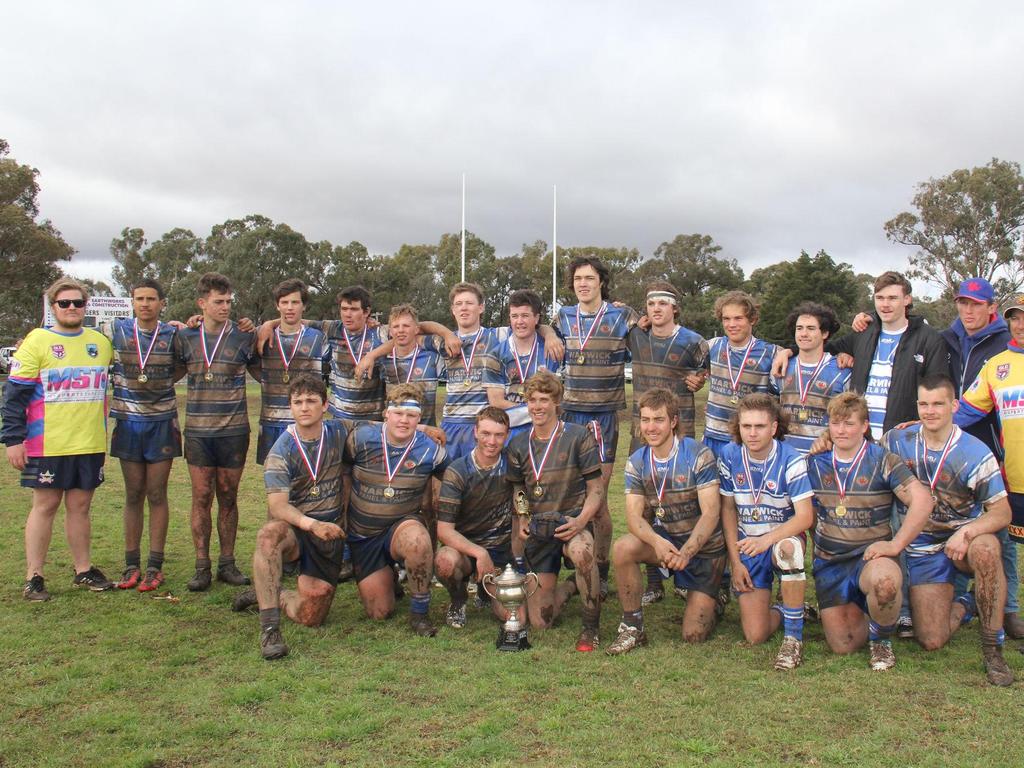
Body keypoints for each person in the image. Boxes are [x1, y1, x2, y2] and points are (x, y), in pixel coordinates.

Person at [879, 375, 1013, 685]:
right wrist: (828, 440)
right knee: (931, 640)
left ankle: (993, 649)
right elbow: (864, 454)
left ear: (953, 405)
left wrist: (966, 533)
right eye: (924, 404)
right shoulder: (897, 441)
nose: (930, 411)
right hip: (922, 546)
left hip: (961, 544)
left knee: (987, 549)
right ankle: (968, 603)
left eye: (938, 404)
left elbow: (1002, 512)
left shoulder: (974, 452)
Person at [2, 278, 115, 599]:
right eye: (64, 303)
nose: (71, 308)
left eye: (77, 303)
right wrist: (13, 439)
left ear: (85, 306)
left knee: (80, 507)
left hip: (90, 442)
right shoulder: (36, 341)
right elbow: (13, 397)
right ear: (53, 307)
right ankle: (34, 576)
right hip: (46, 444)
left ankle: (83, 570)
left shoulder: (100, 343)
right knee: (45, 505)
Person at [805, 392, 933, 670]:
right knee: (845, 645)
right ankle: (868, 610)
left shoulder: (884, 460)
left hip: (871, 557)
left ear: (864, 426)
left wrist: (896, 545)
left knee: (885, 583)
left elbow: (923, 500)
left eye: (850, 423)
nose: (842, 430)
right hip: (830, 562)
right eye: (836, 423)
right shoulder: (815, 461)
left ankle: (882, 642)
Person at [232, 374, 349, 660]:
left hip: (329, 536)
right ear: (290, 407)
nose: (304, 407)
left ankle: (271, 594)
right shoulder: (280, 451)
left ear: (325, 405)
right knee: (268, 534)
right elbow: (279, 505)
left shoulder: (340, 431)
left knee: (312, 616)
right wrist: (312, 524)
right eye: (298, 402)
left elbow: (383, 429)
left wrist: (422, 426)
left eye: (311, 401)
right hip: (299, 530)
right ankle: (270, 628)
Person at [607, 388, 725, 653]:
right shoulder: (637, 461)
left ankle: (716, 594)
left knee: (693, 634)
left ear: (673, 421)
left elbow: (711, 513)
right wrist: (657, 542)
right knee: (624, 547)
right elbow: (633, 517)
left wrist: (688, 552)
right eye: (645, 419)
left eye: (658, 419)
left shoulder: (698, 454)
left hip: (704, 549)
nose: (650, 427)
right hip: (669, 542)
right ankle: (632, 627)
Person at [939, 279, 1022, 639]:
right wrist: (929, 425)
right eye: (1016, 318)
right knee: (1002, 541)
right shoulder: (998, 365)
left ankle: (1010, 610)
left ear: (988, 308)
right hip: (1005, 472)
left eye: (977, 304)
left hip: (989, 459)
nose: (1020, 324)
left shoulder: (996, 341)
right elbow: (969, 409)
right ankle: (1001, 610)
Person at [554, 256, 639, 598]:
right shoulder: (562, 317)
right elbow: (547, 336)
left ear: (601, 281)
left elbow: (649, 338)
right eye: (578, 279)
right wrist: (546, 332)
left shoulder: (622, 315)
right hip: (569, 415)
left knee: (598, 499)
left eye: (589, 278)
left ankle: (600, 568)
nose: (583, 284)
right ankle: (577, 562)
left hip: (603, 416)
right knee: (573, 496)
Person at [507, 371, 604, 651]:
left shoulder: (577, 436)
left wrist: (581, 520)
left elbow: (596, 489)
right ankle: (571, 586)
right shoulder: (517, 444)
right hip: (539, 528)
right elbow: (519, 490)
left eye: (544, 400)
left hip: (572, 521)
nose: (537, 406)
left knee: (582, 552)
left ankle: (590, 626)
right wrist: (524, 516)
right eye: (532, 400)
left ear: (556, 402)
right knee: (540, 621)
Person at [627, 281, 710, 605]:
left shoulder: (694, 341)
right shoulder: (635, 335)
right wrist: (633, 318)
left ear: (674, 307)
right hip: (642, 435)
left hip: (681, 435)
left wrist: (700, 376)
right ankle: (653, 582)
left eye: (663, 303)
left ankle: (687, 575)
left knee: (684, 504)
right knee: (645, 506)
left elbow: (715, 366)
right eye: (651, 304)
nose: (657, 309)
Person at [344, 384, 450, 636]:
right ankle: (390, 577)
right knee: (379, 612)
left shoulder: (431, 450)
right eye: (398, 413)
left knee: (418, 541)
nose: (404, 420)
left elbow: (454, 481)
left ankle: (420, 614)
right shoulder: (361, 438)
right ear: (386, 414)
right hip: (364, 534)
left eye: (412, 416)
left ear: (419, 417)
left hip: (401, 526)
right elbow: (343, 470)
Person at [719, 395, 815, 670]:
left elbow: (805, 517)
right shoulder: (729, 455)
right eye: (746, 425)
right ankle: (790, 610)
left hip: (779, 538)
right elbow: (728, 510)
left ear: (774, 427)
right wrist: (735, 562)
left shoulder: (791, 459)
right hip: (748, 544)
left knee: (790, 551)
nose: (751, 433)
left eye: (759, 426)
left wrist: (766, 541)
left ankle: (793, 641)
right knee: (755, 634)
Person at [176, 272, 258, 591]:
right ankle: (201, 566)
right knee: (200, 497)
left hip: (234, 431)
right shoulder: (185, 337)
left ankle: (227, 563)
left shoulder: (243, 336)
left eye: (228, 301)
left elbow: (265, 366)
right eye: (218, 302)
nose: (225, 307)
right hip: (197, 431)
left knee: (228, 497)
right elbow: (168, 370)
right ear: (202, 303)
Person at [107, 278, 185, 592]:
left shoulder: (173, 334)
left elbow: (182, 366)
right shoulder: (117, 330)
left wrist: (160, 384)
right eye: (140, 298)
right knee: (133, 494)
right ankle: (130, 564)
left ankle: (155, 565)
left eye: (151, 298)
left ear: (161, 303)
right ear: (132, 301)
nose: (145, 304)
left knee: (157, 493)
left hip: (162, 423)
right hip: (127, 423)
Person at [434, 407, 518, 629]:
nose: (491, 441)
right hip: (466, 548)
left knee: (511, 616)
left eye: (499, 435)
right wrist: (479, 553)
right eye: (486, 433)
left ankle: (486, 589)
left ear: (507, 435)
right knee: (445, 561)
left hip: (502, 548)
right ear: (475, 432)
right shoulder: (457, 471)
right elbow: (444, 531)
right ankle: (458, 599)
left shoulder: (514, 464)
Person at [253, 279, 330, 465]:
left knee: (308, 481)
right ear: (277, 305)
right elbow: (251, 365)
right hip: (272, 423)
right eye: (284, 302)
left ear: (304, 306)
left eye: (295, 302)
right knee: (275, 481)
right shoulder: (260, 336)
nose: (289, 308)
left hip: (307, 423)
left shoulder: (319, 338)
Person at [703, 291, 778, 460]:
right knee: (712, 486)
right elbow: (685, 363)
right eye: (726, 319)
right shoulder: (712, 346)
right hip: (713, 436)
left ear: (752, 319)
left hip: (750, 440)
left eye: (738, 318)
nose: (731, 324)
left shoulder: (770, 353)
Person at [772, 302, 850, 455]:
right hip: (786, 457)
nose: (803, 334)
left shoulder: (843, 371)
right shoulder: (781, 367)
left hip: (824, 457)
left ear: (825, 333)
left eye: (811, 328)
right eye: (799, 328)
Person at [495, 289, 559, 441]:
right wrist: (534, 410)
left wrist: (550, 334)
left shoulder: (553, 349)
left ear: (536, 318)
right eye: (514, 316)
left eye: (525, 316)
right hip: (511, 431)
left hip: (547, 431)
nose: (519, 322)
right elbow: (496, 401)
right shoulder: (496, 353)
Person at [378, 304, 444, 427]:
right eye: (396, 326)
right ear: (391, 331)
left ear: (417, 329)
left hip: (426, 432)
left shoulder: (433, 357)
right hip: (394, 433)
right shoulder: (383, 360)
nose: (401, 330)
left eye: (406, 326)